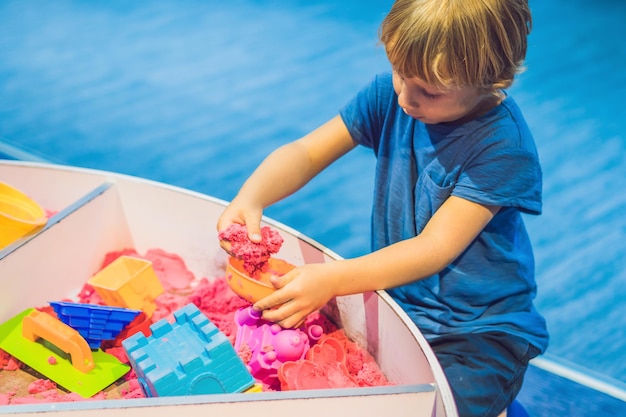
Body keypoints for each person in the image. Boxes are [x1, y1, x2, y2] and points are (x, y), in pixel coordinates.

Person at [217, 0, 548, 415]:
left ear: (490, 77)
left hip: (477, 331)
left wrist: (333, 278)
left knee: (440, 407)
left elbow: (434, 248)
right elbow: (306, 152)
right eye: (399, 73)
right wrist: (253, 195)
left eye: (428, 90)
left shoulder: (503, 149)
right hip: (401, 304)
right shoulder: (391, 96)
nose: (406, 98)